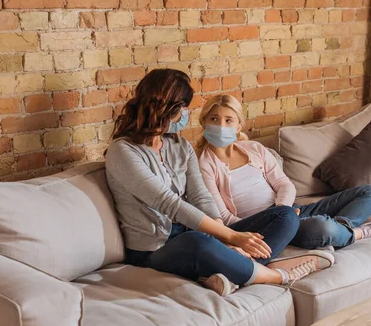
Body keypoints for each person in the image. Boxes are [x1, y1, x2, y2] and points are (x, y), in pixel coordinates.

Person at [105, 69, 334, 297]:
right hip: (154, 250)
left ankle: (232, 272)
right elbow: (168, 204)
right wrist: (230, 238)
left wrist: (223, 238)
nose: (186, 113)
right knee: (198, 243)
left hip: (197, 232)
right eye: (183, 107)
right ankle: (276, 275)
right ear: (166, 107)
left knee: (285, 216)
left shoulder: (180, 146)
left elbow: (200, 197)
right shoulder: (123, 151)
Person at [197, 94, 371, 252]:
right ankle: (355, 233)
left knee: (368, 192)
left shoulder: (254, 149)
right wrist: (277, 220)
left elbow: (284, 185)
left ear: (238, 125)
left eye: (228, 120)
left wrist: (284, 210)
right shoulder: (203, 164)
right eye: (214, 119)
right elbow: (222, 216)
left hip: (289, 211)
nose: (220, 126)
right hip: (260, 227)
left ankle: (342, 229)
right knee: (321, 228)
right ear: (204, 122)